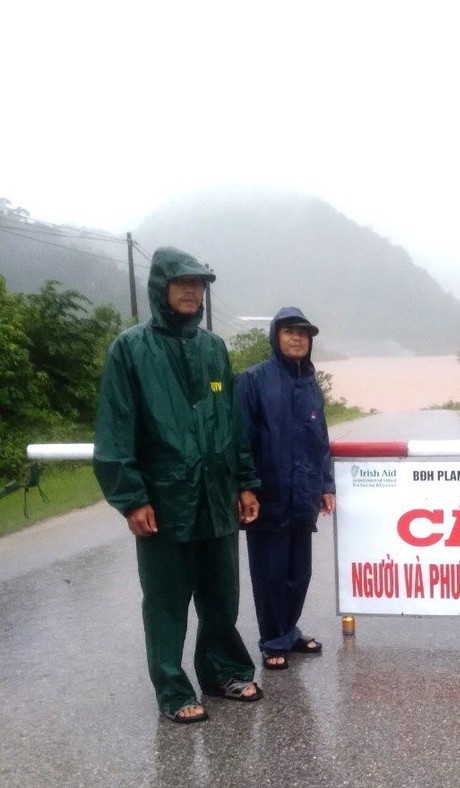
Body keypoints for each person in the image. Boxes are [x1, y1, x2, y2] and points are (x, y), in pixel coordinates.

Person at [94, 246, 264, 724]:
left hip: (216, 497)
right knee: (167, 601)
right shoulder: (130, 349)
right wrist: (131, 498)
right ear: (160, 287)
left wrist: (246, 483)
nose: (192, 291)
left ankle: (223, 671)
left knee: (221, 595)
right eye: (182, 282)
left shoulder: (214, 347)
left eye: (199, 283)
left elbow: (233, 426)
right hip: (164, 500)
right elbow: (115, 429)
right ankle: (172, 689)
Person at [237, 307, 335, 671]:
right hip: (268, 495)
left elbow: (320, 439)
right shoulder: (253, 380)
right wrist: (246, 486)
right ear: (276, 336)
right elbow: (241, 440)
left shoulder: (310, 382)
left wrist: (325, 483)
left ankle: (288, 631)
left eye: (304, 333)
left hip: (303, 495)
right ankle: (272, 640)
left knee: (299, 572)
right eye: (290, 331)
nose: (298, 338)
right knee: (270, 572)